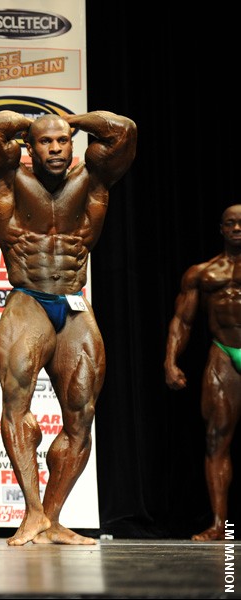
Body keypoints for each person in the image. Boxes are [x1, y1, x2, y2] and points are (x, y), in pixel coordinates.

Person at [0, 110, 137, 545]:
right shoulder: (7, 180)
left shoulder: (94, 180)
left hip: (74, 302)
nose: (56, 148)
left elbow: (124, 131)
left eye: (63, 140)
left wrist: (71, 120)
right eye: (45, 142)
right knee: (17, 406)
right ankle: (31, 512)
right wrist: (32, 123)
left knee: (82, 415)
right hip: (28, 300)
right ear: (29, 146)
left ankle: (52, 517)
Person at [164, 204, 241, 541]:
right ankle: (219, 524)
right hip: (223, 353)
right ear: (221, 229)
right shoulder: (202, 273)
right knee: (215, 439)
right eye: (231, 223)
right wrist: (170, 361)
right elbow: (183, 321)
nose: (237, 228)